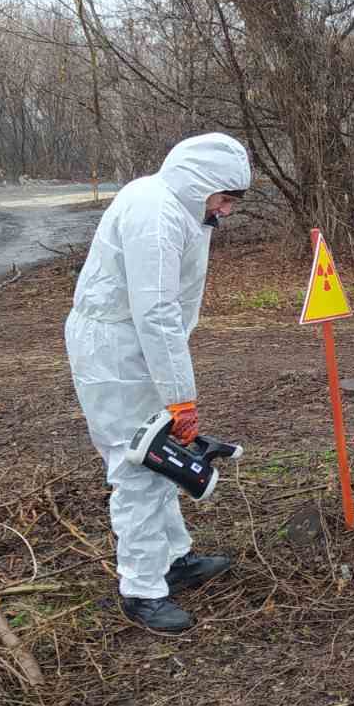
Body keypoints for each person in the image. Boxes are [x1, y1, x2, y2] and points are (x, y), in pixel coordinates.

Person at [64, 133, 252, 633]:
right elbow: (156, 312)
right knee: (141, 464)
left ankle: (173, 558)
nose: (226, 211)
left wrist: (175, 397)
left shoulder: (180, 208)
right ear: (201, 185)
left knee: (159, 453)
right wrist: (181, 398)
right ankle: (142, 589)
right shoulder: (156, 214)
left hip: (133, 343)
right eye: (225, 199)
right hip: (117, 349)